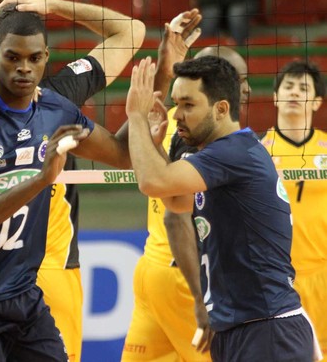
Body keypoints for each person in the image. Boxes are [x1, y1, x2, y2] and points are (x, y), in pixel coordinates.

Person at [0, 0, 199, 361]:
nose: (24, 68)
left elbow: (121, 154)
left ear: (46, 57)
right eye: (13, 57)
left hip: (26, 292)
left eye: (34, 58)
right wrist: (42, 179)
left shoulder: (56, 106)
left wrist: (149, 97)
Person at [125, 55, 319, 361]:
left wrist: (135, 116)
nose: (177, 115)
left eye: (188, 105)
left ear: (221, 109)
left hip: (268, 329)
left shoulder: (234, 153)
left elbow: (153, 182)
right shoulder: (219, 157)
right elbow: (176, 201)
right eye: (176, 103)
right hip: (237, 327)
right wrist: (153, 142)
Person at [122, 46, 250, 362]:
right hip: (185, 275)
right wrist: (199, 298)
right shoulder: (195, 132)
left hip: (152, 268)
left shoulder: (169, 119)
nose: (246, 88)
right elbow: (176, 217)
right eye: (240, 79)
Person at [261, 60, 327, 353]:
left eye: (303, 88)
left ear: (316, 102)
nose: (295, 93)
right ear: (275, 96)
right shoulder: (257, 151)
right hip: (276, 282)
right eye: (288, 86)